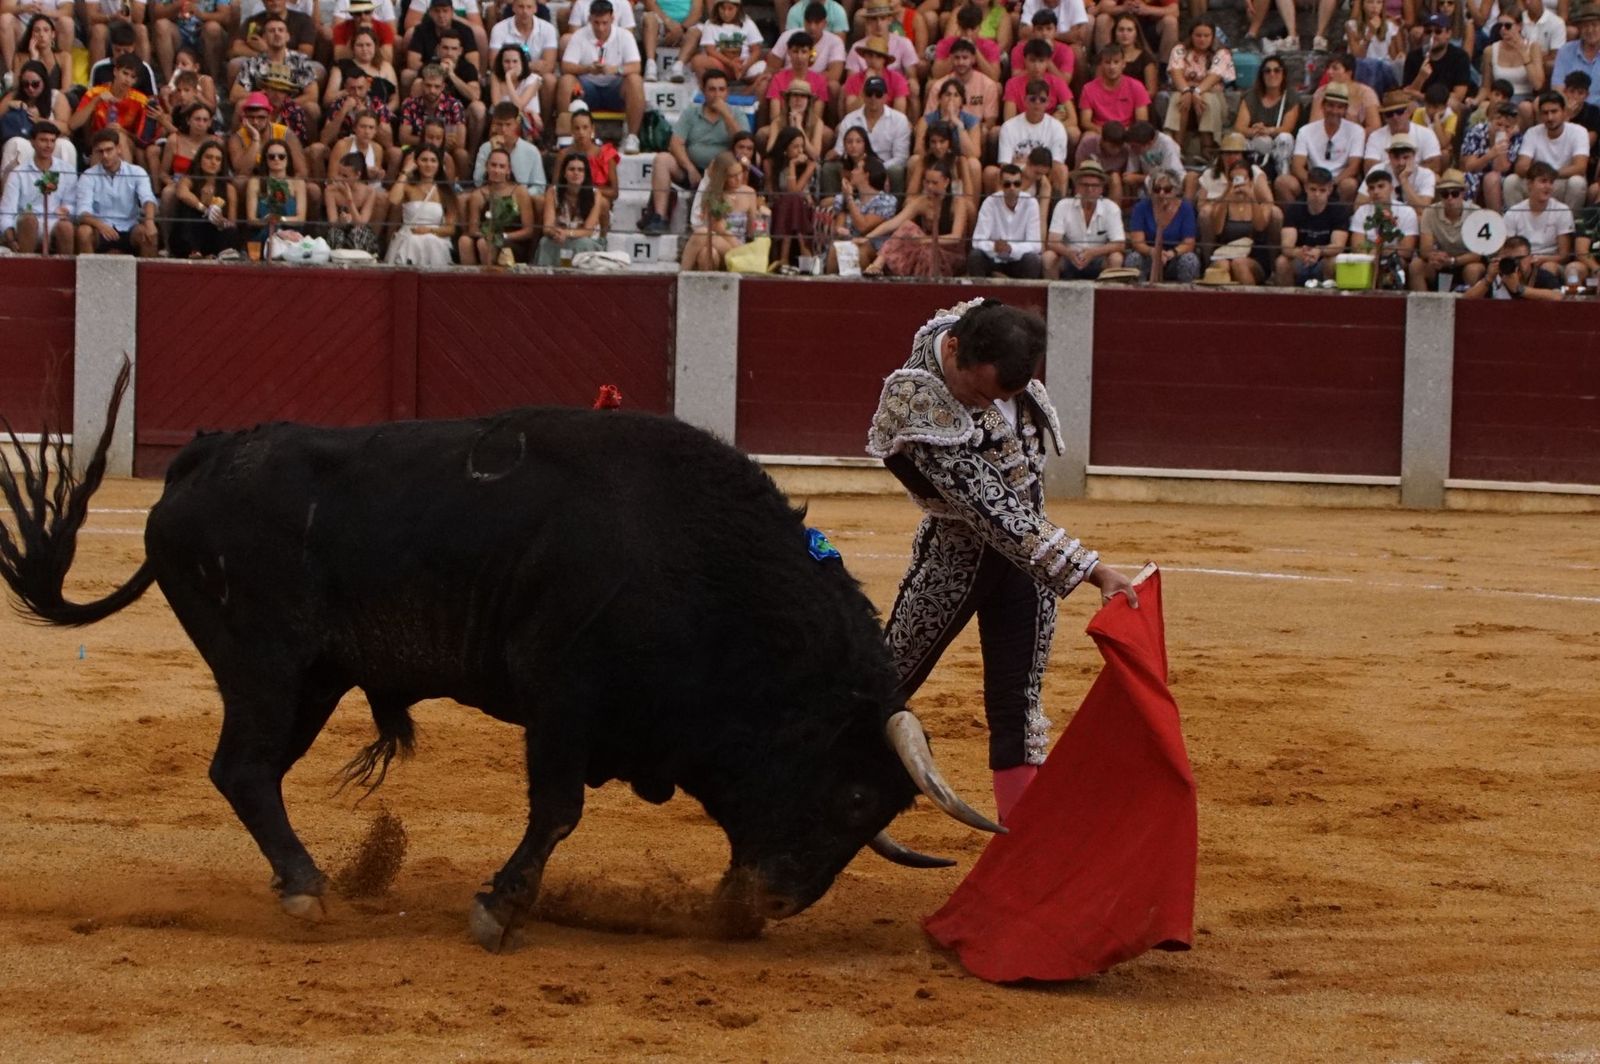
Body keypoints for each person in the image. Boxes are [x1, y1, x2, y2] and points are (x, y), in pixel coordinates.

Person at [865, 297, 1139, 824]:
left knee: (1020, 708)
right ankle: (809, 795)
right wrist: (1093, 569)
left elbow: (1020, 509)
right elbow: (993, 513)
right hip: (956, 560)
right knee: (881, 686)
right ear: (954, 350)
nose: (989, 405)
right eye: (982, 393)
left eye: (1005, 396)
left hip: (1026, 569)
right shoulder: (916, 401)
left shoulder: (998, 359)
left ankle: (1024, 854)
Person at [642, 67, 739, 233]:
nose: (717, 94)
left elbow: (741, 143)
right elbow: (675, 143)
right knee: (662, 159)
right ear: (703, 91)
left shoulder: (736, 113)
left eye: (721, 90)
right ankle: (659, 217)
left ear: (727, 92)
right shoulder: (691, 113)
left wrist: (727, 115)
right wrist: (689, 167)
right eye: (712, 89)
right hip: (693, 171)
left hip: (722, 175)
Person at [557, 0, 645, 155]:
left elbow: (636, 66)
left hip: (615, 88)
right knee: (566, 81)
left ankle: (632, 136)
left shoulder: (624, 36)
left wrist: (615, 69)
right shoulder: (579, 35)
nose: (600, 28)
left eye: (604, 23)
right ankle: (566, 133)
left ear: (612, 19)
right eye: (596, 23)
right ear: (590, 19)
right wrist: (588, 68)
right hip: (587, 88)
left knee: (635, 80)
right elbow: (566, 66)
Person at [863, 161, 971, 275]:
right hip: (928, 250)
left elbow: (956, 237)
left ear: (946, 182)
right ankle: (877, 265)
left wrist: (926, 240)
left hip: (951, 255)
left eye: (935, 183)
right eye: (927, 182)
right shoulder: (922, 202)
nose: (930, 187)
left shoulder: (958, 203)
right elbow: (894, 223)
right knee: (908, 228)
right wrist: (868, 236)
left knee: (920, 244)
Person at [75, 128, 159, 256]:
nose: (105, 155)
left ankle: (150, 276)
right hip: (100, 229)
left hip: (129, 227)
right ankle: (89, 275)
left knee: (146, 233)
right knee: (84, 231)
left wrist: (149, 221)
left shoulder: (136, 172)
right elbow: (82, 212)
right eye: (100, 151)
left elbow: (147, 199)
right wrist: (100, 225)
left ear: (119, 149)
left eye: (109, 150)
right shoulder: (88, 176)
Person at [1278, 82, 1364, 205]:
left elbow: (1353, 167)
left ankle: (1342, 221)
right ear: (1323, 106)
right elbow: (1297, 166)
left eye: (1340, 107)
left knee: (1350, 185)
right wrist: (1314, 184)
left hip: (1338, 182)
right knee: (1283, 182)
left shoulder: (1357, 131)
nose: (1334, 111)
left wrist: (1331, 184)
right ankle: (1294, 220)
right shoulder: (1305, 131)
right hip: (1311, 181)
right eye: (1331, 105)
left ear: (1345, 109)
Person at [0, 120, 75, 255]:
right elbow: (7, 210)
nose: (48, 145)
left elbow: (72, 202)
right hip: (26, 224)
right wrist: (10, 238)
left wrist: (67, 209)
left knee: (66, 226)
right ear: (32, 142)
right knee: (29, 218)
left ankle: (64, 272)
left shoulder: (66, 170)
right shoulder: (19, 173)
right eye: (43, 140)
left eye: (52, 141)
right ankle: (25, 269)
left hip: (54, 222)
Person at [1506, 90, 1591, 208]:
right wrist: (1542, 179)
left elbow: (1580, 167)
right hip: (1537, 183)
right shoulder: (1532, 133)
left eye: (1554, 112)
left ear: (1564, 112)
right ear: (1540, 116)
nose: (1550, 117)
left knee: (1577, 182)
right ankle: (1516, 223)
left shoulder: (1579, 132)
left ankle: (1571, 224)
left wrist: (1549, 175)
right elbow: (1520, 167)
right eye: (1545, 113)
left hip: (1561, 182)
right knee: (1511, 181)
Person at [1043, 157, 1124, 278]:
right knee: (1048, 257)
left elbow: (1120, 244)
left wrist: (1093, 253)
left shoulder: (1111, 208)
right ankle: (1051, 295)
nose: (1090, 189)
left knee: (1116, 258)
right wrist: (1069, 253)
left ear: (1102, 188)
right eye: (1085, 185)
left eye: (1095, 186)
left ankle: (1109, 296)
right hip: (1069, 258)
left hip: (1098, 259)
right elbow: (1052, 241)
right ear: (1077, 187)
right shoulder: (1063, 205)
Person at [1163, 18, 1233, 158]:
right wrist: (1187, 91)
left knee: (1206, 97)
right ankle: (1176, 147)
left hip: (1213, 95)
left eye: (1206, 36)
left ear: (1213, 37)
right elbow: (1176, 73)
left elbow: (1214, 77)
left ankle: (1207, 147)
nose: (1202, 39)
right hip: (1185, 92)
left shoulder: (1222, 53)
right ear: (1191, 36)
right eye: (1198, 35)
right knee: (1178, 97)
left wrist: (1196, 91)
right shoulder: (1179, 50)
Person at [680, 149, 759, 269]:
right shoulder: (714, 194)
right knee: (707, 253)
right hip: (720, 243)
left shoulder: (749, 192)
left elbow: (752, 231)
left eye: (740, 173)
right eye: (732, 176)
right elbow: (718, 229)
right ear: (722, 177)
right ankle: (686, 280)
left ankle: (681, 275)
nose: (738, 178)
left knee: (701, 234)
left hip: (739, 247)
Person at [1274, 166, 1351, 285]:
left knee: (1334, 261)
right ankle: (1287, 302)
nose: (1317, 194)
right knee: (1282, 262)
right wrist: (1298, 252)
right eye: (1313, 189)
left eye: (1322, 190)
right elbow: (1286, 246)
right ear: (1306, 188)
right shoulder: (1294, 208)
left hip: (1324, 259)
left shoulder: (1339, 210)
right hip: (1300, 259)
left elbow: (1338, 245)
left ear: (1330, 189)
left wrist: (1319, 251)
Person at [460, 145, 536, 263]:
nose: (497, 170)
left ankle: (490, 279)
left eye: (502, 166)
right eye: (493, 165)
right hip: (485, 238)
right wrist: (487, 235)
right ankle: (469, 279)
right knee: (465, 241)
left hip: (512, 241)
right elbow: (472, 230)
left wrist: (502, 236)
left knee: (484, 243)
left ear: (508, 170)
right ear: (487, 167)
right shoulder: (478, 195)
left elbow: (528, 231)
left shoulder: (520, 191)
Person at [990, 78, 1069, 192]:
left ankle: (1055, 207)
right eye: (1033, 99)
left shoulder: (1057, 127)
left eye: (1042, 100)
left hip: (1044, 178)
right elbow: (1005, 166)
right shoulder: (1009, 126)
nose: (1037, 103)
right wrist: (1028, 171)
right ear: (1025, 100)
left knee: (1062, 170)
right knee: (991, 172)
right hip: (1017, 178)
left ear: (1048, 103)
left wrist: (1033, 171)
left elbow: (1056, 164)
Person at [1410, 168, 1483, 289]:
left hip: (1466, 263)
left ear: (1463, 193)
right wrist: (1434, 257)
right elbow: (1425, 249)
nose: (1450, 198)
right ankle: (1423, 305)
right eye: (1445, 194)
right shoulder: (1430, 212)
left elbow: (1478, 254)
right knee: (1416, 265)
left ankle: (1469, 306)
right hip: (1440, 263)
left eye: (1454, 193)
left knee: (1474, 269)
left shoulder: (1476, 212)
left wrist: (1453, 261)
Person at [1504, 159, 1577, 280]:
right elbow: (1507, 251)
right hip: (1520, 261)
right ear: (1529, 184)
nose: (1548, 186)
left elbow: (1564, 256)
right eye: (1543, 181)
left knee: (1547, 268)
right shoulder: (1513, 212)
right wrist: (1525, 260)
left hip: (1550, 261)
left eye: (1551, 182)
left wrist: (1542, 259)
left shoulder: (1562, 210)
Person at [823, 152, 897, 272]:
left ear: (866, 175)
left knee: (858, 250)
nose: (852, 172)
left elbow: (863, 226)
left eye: (857, 168)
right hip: (848, 243)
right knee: (835, 247)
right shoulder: (847, 199)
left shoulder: (887, 201)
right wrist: (840, 230)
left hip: (873, 248)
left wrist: (849, 198)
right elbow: (838, 226)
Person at [1124, 167, 1199, 281]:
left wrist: (1170, 254)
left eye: (1167, 189)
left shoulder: (1186, 208)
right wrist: (1153, 252)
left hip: (1174, 256)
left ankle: (1186, 296)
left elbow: (1189, 243)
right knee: (1133, 259)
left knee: (1190, 260)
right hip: (1148, 255)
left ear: (1176, 190)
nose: (1161, 193)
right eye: (1157, 189)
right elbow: (1137, 242)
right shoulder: (1141, 207)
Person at [385, 144, 457, 264]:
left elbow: (451, 228)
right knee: (413, 241)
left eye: (433, 160)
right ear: (416, 163)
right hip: (409, 234)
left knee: (429, 240)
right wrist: (405, 172)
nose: (428, 164)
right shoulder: (408, 187)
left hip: (435, 238)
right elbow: (393, 199)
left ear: (439, 165)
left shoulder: (445, 191)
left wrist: (428, 231)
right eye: (424, 160)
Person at [168, 136, 238, 258]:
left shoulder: (229, 188)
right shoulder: (189, 179)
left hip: (214, 235)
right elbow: (182, 193)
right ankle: (194, 251)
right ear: (199, 160)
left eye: (218, 159)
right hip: (188, 236)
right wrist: (205, 209)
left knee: (230, 230)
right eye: (208, 157)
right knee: (188, 208)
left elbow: (232, 222)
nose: (213, 162)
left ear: (222, 165)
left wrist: (221, 220)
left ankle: (221, 252)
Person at [967, 163, 1042, 276]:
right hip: (994, 258)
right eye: (1007, 184)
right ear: (1001, 184)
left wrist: (1011, 248)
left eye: (1016, 184)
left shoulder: (1031, 203)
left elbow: (1036, 245)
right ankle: (980, 293)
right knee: (975, 256)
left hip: (1018, 260)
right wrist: (994, 247)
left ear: (1021, 185)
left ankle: (1024, 294)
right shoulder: (990, 202)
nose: (1012, 188)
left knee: (1033, 260)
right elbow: (977, 241)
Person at [1207, 157, 1273, 284]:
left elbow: (1260, 227)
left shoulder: (1262, 205)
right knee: (1222, 266)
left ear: (1250, 181)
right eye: (1234, 180)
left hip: (1254, 258)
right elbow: (1217, 230)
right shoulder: (1222, 204)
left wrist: (1251, 197)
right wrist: (1226, 199)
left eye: (1243, 179)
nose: (1239, 183)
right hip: (1225, 254)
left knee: (1239, 264)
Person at [534, 151, 604, 265]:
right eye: (571, 169)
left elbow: (588, 231)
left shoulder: (595, 194)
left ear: (585, 174)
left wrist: (567, 233)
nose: (576, 173)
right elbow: (547, 227)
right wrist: (555, 233)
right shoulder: (553, 192)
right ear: (564, 173)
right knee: (545, 242)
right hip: (559, 237)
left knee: (582, 243)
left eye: (580, 170)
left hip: (585, 239)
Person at [1234, 55, 1299, 179]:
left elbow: (1287, 128)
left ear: (1283, 73)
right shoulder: (1251, 96)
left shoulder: (1291, 96)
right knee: (1236, 138)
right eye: (1267, 71)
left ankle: (1283, 175)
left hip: (1277, 143)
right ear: (1262, 75)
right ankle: (1239, 173)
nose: (1272, 74)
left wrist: (1268, 130)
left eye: (1277, 70)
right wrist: (1255, 131)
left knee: (1285, 138)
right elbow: (1239, 127)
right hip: (1254, 141)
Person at [836, 75, 914, 173]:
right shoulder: (849, 119)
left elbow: (901, 158)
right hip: (854, 168)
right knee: (830, 167)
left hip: (885, 169)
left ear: (886, 97)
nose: (873, 98)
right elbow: (839, 150)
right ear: (863, 96)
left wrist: (875, 168)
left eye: (878, 94)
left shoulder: (899, 120)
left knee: (896, 171)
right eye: (869, 94)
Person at [766, 124, 818, 266]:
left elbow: (794, 191)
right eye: (795, 147)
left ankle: (784, 257)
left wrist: (793, 165)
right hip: (777, 206)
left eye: (802, 147)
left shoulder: (809, 165)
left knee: (793, 200)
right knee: (789, 201)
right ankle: (804, 249)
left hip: (803, 207)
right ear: (784, 147)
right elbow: (772, 192)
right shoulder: (770, 163)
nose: (800, 151)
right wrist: (792, 165)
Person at [1401, 13, 1475, 108]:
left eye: (1438, 31)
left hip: (1446, 107)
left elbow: (1458, 95)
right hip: (1421, 106)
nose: (1432, 36)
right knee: (1410, 106)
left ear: (1448, 34)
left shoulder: (1459, 57)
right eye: (1428, 32)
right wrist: (1421, 77)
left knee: (1452, 103)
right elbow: (1407, 95)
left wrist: (1421, 96)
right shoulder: (1413, 57)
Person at [1460, 99, 1523, 208]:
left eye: (1507, 127)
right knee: (1467, 178)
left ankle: (1497, 219)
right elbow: (1469, 166)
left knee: (1492, 178)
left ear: (1513, 128)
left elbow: (1501, 168)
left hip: (1502, 178)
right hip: (1475, 172)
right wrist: (1490, 155)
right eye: (1498, 124)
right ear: (1491, 120)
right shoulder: (1477, 131)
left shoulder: (1516, 138)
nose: (1501, 129)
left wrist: (1502, 142)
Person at [244, 135, 307, 242]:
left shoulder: (298, 183)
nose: (276, 159)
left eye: (281, 156)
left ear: (288, 159)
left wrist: (280, 219)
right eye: (272, 156)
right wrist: (266, 221)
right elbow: (251, 219)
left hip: (291, 236)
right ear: (266, 159)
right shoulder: (255, 182)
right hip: (264, 235)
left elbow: (301, 218)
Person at [1461, 233, 1564, 295]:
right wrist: (1488, 279)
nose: (1515, 263)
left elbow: (1558, 296)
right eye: (1509, 259)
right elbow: (1467, 299)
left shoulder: (1540, 275)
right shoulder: (1497, 275)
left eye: (1519, 258)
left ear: (1531, 258)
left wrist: (1520, 289)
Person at [1552, 1, 1600, 107]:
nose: (1590, 30)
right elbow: (1557, 87)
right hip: (1571, 109)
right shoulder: (1566, 51)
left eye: (1594, 25)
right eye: (1585, 26)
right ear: (1579, 29)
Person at [640, 0, 701, 81]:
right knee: (649, 18)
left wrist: (682, 29)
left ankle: (678, 67)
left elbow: (697, 11)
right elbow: (650, 4)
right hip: (661, 23)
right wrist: (668, 22)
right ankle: (651, 65)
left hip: (685, 27)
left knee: (695, 32)